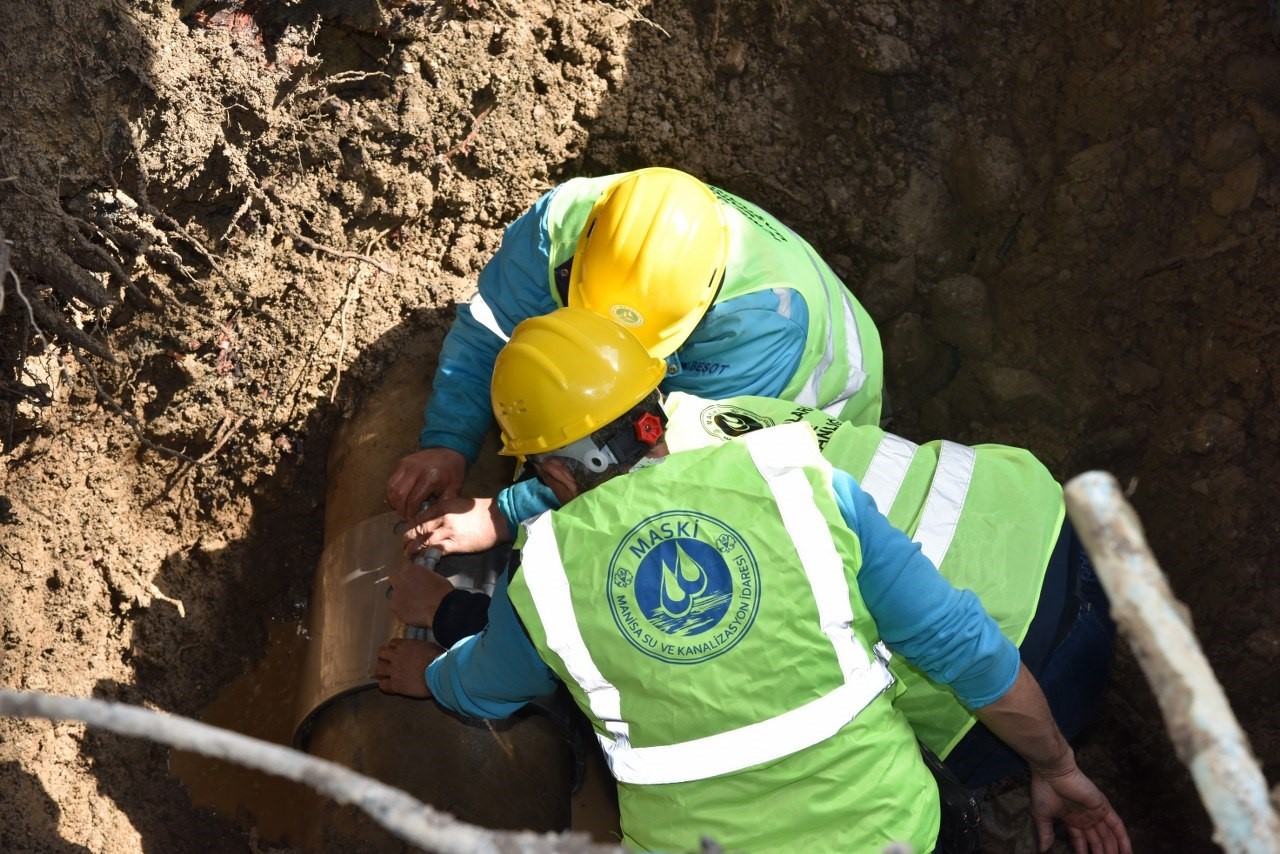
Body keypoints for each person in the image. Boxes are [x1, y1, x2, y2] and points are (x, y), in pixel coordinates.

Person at [375, 309, 1131, 853]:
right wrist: (1056, 766)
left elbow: (486, 687)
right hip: (897, 832)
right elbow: (966, 648)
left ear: (551, 471)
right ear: (654, 409)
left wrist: (433, 668)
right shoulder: (789, 470)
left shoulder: (545, 570)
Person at [385, 166, 884, 524]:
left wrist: (502, 514)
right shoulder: (561, 225)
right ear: (583, 257)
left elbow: (661, 468)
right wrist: (447, 443)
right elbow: (490, 331)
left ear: (698, 313)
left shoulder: (761, 328)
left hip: (806, 420)